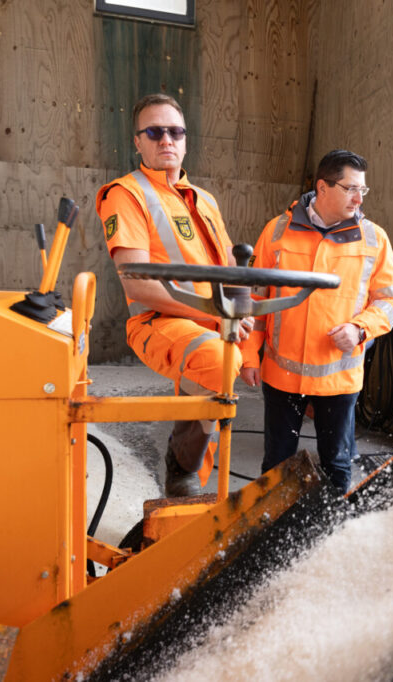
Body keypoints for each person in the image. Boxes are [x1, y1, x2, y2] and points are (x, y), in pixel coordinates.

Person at [96, 93, 250, 498]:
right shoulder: (125, 194)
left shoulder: (204, 200)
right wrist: (218, 314)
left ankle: (198, 487)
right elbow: (137, 283)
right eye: (155, 131)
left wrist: (241, 318)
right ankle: (182, 467)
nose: (167, 140)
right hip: (158, 322)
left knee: (236, 364)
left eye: (175, 132)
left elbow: (231, 270)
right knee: (217, 360)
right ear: (138, 142)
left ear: (185, 140)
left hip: (215, 321)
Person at [240, 150, 393, 491]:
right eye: (350, 188)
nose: (359, 198)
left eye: (363, 190)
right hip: (282, 374)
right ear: (323, 187)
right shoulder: (277, 232)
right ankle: (273, 535)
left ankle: (332, 535)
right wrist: (247, 356)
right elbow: (254, 298)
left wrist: (361, 328)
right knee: (276, 465)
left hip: (339, 377)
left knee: (337, 464)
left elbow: (391, 301)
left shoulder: (374, 238)